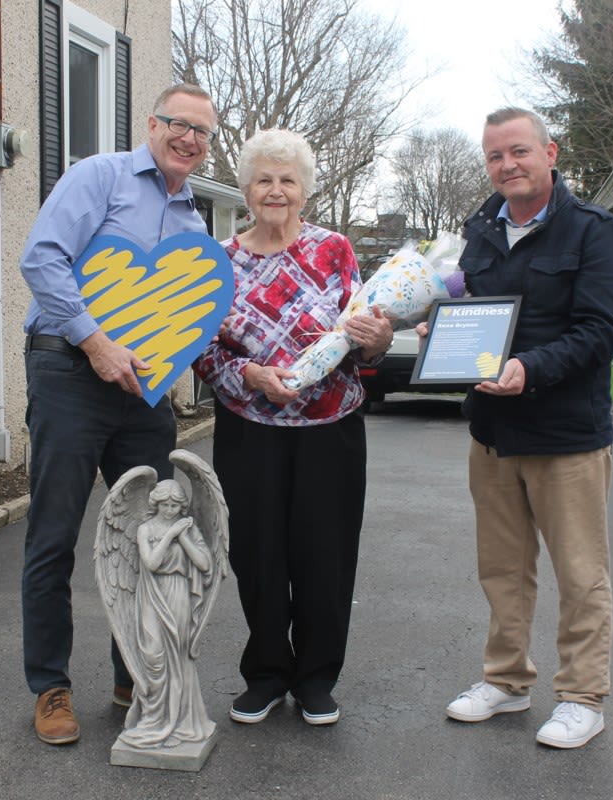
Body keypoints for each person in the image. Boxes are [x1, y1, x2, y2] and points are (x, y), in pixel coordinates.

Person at [18, 83, 217, 745]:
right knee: (53, 536)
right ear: (152, 124)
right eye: (178, 125)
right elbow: (41, 259)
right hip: (70, 373)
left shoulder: (194, 223)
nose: (189, 139)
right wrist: (96, 343)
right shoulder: (98, 177)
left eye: (202, 133)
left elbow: (189, 315)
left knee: (146, 539)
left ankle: (136, 673)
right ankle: (50, 688)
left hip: (144, 396)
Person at [431, 107, 613, 749]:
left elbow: (601, 333)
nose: (507, 165)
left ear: (550, 152)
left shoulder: (597, 231)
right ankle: (507, 682)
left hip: (565, 434)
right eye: (495, 157)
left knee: (581, 573)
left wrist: (528, 368)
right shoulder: (480, 228)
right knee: (503, 568)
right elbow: (469, 308)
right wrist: (441, 331)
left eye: (518, 151)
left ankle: (583, 697)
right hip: (492, 433)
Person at [193, 129, 393, 727]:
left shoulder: (335, 250)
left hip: (329, 427)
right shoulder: (220, 260)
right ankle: (266, 674)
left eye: (287, 180)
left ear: (304, 189)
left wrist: (378, 342)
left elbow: (363, 333)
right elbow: (201, 350)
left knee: (324, 555)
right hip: (249, 428)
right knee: (256, 554)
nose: (275, 190)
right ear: (246, 189)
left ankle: (315, 679)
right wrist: (249, 374)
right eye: (263, 179)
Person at [122, 481, 213, 748]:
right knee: (152, 655)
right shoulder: (145, 528)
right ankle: (153, 718)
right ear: (156, 504)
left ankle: (179, 721)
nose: (171, 509)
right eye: (166, 505)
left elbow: (205, 563)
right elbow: (151, 563)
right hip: (151, 595)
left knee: (178, 654)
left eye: (176, 505)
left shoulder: (187, 528)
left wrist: (183, 537)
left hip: (178, 592)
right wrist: (171, 535)